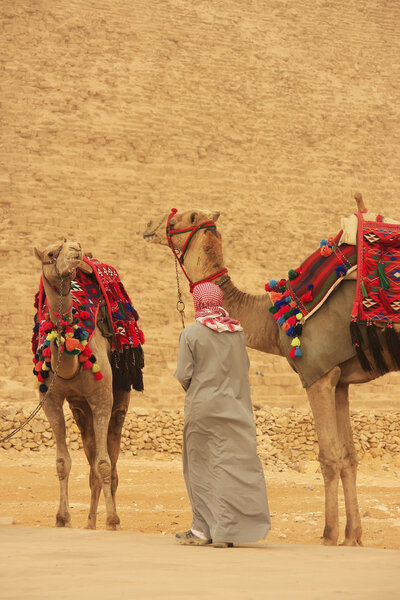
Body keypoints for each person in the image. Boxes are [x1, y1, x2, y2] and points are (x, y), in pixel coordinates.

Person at [174, 282, 270, 548]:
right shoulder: (237, 333)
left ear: (198, 303)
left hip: (203, 410)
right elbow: (242, 369)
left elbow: (184, 374)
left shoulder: (191, 334)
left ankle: (202, 530)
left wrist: (196, 390)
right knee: (232, 468)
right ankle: (229, 530)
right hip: (236, 409)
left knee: (201, 468)